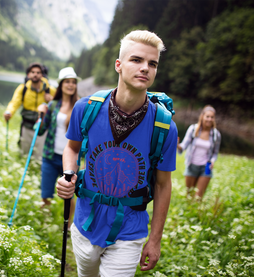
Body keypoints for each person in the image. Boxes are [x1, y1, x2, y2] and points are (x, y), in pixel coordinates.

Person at [56, 30, 178, 276]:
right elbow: (71, 147)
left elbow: (164, 185)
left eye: (152, 64)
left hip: (130, 229)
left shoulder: (164, 126)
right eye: (137, 60)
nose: (145, 68)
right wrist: (68, 174)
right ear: (118, 65)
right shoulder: (86, 109)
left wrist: (155, 239)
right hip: (85, 221)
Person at [36, 67, 80, 227]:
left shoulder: (80, 106)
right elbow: (40, 131)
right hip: (49, 156)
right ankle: (45, 224)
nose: (71, 85)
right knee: (46, 194)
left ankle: (67, 227)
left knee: (69, 195)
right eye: (67, 82)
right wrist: (40, 115)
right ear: (61, 85)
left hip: (69, 159)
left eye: (73, 82)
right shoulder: (53, 105)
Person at [3, 63, 56, 159]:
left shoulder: (50, 90)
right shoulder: (23, 88)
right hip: (26, 126)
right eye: (33, 72)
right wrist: (9, 112)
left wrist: (51, 100)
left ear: (42, 75)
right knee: (24, 154)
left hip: (42, 128)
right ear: (28, 74)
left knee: (39, 156)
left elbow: (60, 104)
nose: (35, 74)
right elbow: (14, 102)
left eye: (38, 72)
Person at [177, 105, 221, 199]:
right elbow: (183, 146)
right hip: (191, 165)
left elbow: (215, 153)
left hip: (205, 168)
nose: (209, 119)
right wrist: (177, 145)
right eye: (207, 116)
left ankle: (196, 212)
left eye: (212, 117)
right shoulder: (193, 129)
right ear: (202, 116)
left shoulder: (216, 134)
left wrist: (213, 160)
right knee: (189, 196)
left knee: (198, 197)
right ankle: (190, 212)